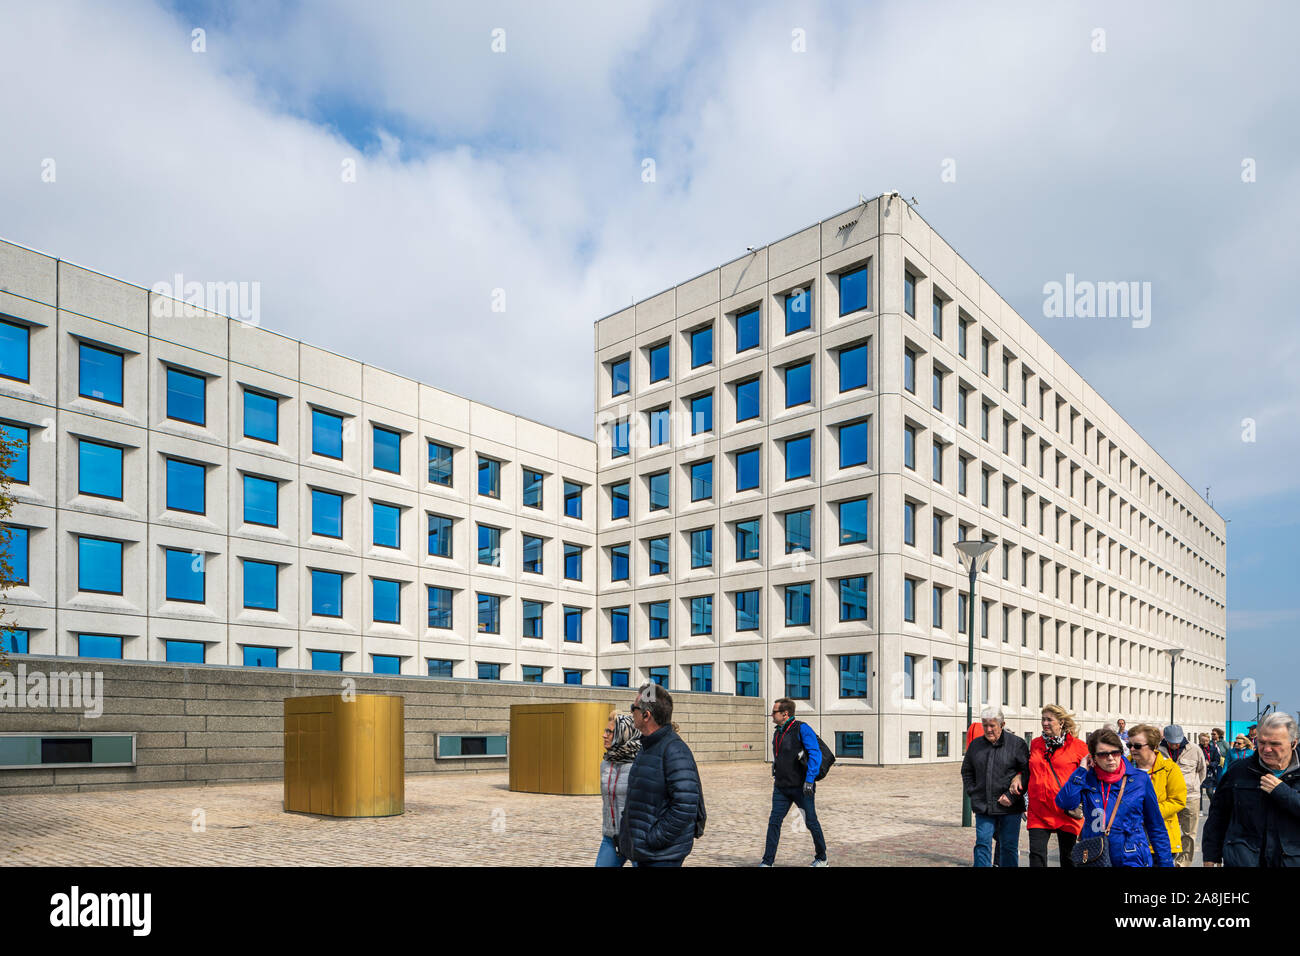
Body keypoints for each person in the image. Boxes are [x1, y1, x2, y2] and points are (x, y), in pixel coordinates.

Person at [1055, 728, 1174, 867]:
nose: (1111, 758)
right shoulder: (1086, 778)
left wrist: (1166, 863)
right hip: (1095, 854)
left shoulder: (1139, 779)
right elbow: (1065, 802)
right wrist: (1081, 771)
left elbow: (1156, 825)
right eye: (1103, 754)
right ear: (1092, 757)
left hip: (1132, 855)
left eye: (1115, 752)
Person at [619, 684, 702, 866]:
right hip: (645, 851)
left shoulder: (674, 751)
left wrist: (654, 838)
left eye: (634, 708)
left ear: (646, 715)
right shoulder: (648, 746)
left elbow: (685, 806)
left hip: (662, 855)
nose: (631, 712)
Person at [1203, 712, 1300, 867]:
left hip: (1290, 859)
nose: (1266, 749)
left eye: (1275, 744)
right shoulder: (1239, 771)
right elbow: (1218, 814)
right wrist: (1211, 854)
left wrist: (1282, 791)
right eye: (1262, 742)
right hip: (1244, 858)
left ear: (1293, 743)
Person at [760, 697, 829, 866]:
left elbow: (815, 754)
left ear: (785, 714)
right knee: (774, 822)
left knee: (811, 821)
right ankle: (767, 862)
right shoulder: (778, 731)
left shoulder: (801, 728)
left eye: (774, 712)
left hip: (802, 787)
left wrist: (810, 780)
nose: (771, 715)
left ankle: (822, 858)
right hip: (781, 787)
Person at [960, 707, 1029, 867]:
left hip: (1010, 808)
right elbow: (966, 771)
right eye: (985, 726)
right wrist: (973, 792)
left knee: (1008, 847)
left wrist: (1012, 796)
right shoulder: (976, 745)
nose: (988, 729)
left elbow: (1027, 773)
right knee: (982, 844)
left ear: (1002, 724)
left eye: (992, 726)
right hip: (984, 806)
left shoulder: (1017, 744)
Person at [1027, 704, 1090, 866]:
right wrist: (1018, 777)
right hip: (1039, 810)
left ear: (1061, 722)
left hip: (1066, 811)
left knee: (1068, 857)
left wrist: (1084, 804)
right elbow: (1028, 769)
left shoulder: (1078, 746)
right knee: (1036, 856)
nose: (1045, 723)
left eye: (1049, 720)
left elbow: (1088, 777)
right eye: (1043, 719)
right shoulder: (1035, 744)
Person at [1127, 724, 1186, 859]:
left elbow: (1177, 801)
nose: (1131, 749)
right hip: (1129, 839)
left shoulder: (1170, 768)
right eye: (1128, 745)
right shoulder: (1124, 767)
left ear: (1153, 746)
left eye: (1137, 746)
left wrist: (1148, 813)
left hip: (1160, 839)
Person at [596, 710, 640, 867]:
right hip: (611, 836)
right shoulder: (606, 763)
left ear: (623, 734)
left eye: (610, 731)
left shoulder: (639, 763)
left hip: (636, 838)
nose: (604, 735)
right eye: (605, 730)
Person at [1161, 725, 1206, 866]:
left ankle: (1183, 863)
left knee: (1189, 834)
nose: (1175, 745)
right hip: (1167, 798)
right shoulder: (1158, 750)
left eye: (1177, 741)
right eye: (1171, 742)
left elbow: (1201, 771)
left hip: (1190, 797)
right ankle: (1166, 860)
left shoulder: (1195, 749)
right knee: (1165, 830)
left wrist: (1192, 786)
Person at [1199, 732, 1221, 804]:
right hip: (1199, 772)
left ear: (1209, 740)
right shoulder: (1197, 749)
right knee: (1199, 793)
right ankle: (1200, 809)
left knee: (1210, 792)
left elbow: (1217, 760)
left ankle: (1214, 806)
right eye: (1203, 741)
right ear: (1200, 741)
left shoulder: (1213, 749)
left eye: (1207, 741)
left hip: (1210, 773)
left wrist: (1210, 764)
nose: (1205, 743)